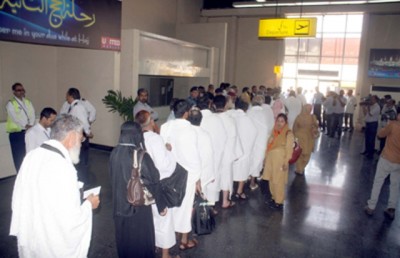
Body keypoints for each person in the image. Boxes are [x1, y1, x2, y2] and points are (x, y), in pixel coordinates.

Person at [10, 114, 100, 257]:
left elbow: (18, 199)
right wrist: (89, 204)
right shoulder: (63, 166)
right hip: (51, 244)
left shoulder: (31, 156)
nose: (81, 143)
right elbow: (70, 220)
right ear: (71, 137)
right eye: (81, 138)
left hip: (32, 236)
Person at [109, 121, 167, 258]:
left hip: (119, 206)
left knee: (124, 241)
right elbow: (154, 180)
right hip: (137, 207)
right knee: (141, 241)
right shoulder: (140, 154)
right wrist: (161, 205)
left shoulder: (114, 153)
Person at [160, 99, 201, 251]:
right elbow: (194, 156)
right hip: (186, 175)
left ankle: (168, 240)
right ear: (186, 113)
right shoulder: (190, 130)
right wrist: (197, 178)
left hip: (168, 174)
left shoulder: (165, 127)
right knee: (185, 208)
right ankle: (184, 240)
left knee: (170, 208)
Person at [135, 110, 177, 258]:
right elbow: (163, 165)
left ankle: (154, 245)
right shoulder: (156, 139)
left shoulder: (137, 138)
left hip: (142, 184)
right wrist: (170, 154)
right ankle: (165, 255)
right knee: (164, 219)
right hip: (159, 184)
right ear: (151, 121)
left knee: (151, 219)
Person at [364, 113, 400, 220]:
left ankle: (371, 207)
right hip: (398, 162)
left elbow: (380, 135)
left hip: (387, 158)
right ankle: (391, 209)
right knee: (395, 185)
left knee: (378, 181)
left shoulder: (393, 125)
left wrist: (386, 125)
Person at [214, 95, 242, 208]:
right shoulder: (230, 120)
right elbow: (234, 137)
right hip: (226, 153)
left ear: (213, 105)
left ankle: (211, 204)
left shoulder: (211, 119)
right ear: (226, 105)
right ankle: (225, 201)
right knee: (226, 176)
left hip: (214, 153)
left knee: (214, 177)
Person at [262, 113, 294, 210]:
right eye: (278, 121)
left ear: (285, 122)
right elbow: (268, 146)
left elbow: (289, 149)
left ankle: (279, 202)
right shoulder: (274, 131)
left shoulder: (288, 133)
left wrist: (286, 162)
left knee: (278, 181)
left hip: (280, 161)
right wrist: (265, 158)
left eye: (282, 121)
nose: (279, 123)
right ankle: (274, 197)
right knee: (272, 180)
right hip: (271, 160)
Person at [61, 88, 92, 185]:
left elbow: (84, 122)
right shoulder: (73, 107)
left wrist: (87, 132)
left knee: (81, 161)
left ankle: (83, 182)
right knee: (77, 160)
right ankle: (79, 179)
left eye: (67, 95)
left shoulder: (78, 107)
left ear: (71, 96)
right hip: (76, 137)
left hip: (81, 138)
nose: (66, 97)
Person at [229, 99, 257, 200]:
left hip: (231, 150)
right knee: (242, 171)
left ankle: (229, 191)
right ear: (245, 109)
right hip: (244, 150)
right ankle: (239, 192)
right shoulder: (247, 120)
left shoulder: (230, 116)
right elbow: (254, 134)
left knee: (229, 172)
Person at [6, 82, 35, 172]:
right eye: (19, 90)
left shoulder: (28, 102)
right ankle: (20, 175)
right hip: (17, 134)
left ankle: (28, 175)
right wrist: (25, 125)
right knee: (19, 157)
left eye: (22, 90)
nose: (21, 92)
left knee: (29, 155)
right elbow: (15, 118)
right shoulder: (11, 103)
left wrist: (31, 124)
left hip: (28, 131)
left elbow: (32, 114)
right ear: (14, 92)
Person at [247, 95, 271, 190]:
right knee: (257, 161)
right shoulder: (264, 114)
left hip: (248, 141)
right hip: (260, 142)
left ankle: (246, 177)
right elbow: (268, 127)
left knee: (249, 159)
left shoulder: (248, 112)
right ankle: (252, 182)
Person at [293, 104, 318, 175]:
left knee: (307, 153)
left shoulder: (312, 117)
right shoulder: (299, 117)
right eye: (308, 108)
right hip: (301, 137)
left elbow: (316, 126)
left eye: (310, 108)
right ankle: (300, 168)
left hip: (309, 137)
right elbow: (295, 127)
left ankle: (300, 168)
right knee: (300, 153)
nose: (309, 110)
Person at [361, 95, 381, 159]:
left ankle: (370, 154)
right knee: (367, 138)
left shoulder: (377, 107)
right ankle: (366, 151)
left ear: (375, 100)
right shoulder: (371, 105)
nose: (370, 100)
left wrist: (368, 107)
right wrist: (364, 107)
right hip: (368, 123)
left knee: (371, 140)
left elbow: (370, 114)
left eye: (372, 99)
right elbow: (365, 114)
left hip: (373, 124)